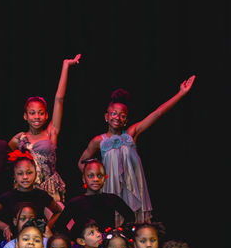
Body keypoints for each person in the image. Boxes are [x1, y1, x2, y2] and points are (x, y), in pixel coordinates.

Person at [78, 78, 195, 222]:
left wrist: (181, 93)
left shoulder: (131, 133)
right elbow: (81, 163)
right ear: (106, 117)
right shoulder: (98, 141)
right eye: (114, 113)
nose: (118, 118)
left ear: (126, 120)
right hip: (112, 190)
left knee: (137, 226)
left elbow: (158, 113)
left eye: (123, 116)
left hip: (134, 189)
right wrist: (93, 181)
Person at [8, 54, 81, 202]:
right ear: (25, 116)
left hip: (49, 188)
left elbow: (59, 99)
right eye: (32, 113)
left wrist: (65, 66)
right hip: (27, 188)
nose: (37, 117)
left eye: (41, 113)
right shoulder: (19, 139)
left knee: (53, 221)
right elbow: (7, 156)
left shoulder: (51, 132)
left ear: (46, 115)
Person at [0, 153, 62, 239]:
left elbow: (58, 211)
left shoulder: (42, 195)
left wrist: (47, 227)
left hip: (38, 240)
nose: (25, 177)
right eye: (20, 173)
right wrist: (5, 227)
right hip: (15, 242)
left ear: (36, 174)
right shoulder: (8, 197)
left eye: (29, 173)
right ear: (14, 175)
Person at [54, 160, 135, 234]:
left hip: (106, 246)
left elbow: (130, 217)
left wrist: (120, 231)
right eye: (91, 176)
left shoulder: (112, 199)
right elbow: (60, 226)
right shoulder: (75, 203)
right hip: (84, 247)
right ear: (84, 179)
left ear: (105, 178)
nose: (96, 179)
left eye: (99, 176)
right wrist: (73, 239)